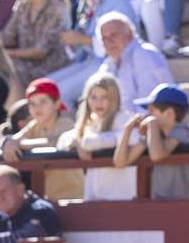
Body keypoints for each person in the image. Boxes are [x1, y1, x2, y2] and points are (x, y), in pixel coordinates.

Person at [58, 72, 140, 201]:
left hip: (120, 196)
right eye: (93, 97)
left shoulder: (123, 119)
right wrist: (77, 143)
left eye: (105, 97)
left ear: (114, 98)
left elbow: (134, 137)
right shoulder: (90, 122)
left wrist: (87, 142)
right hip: (94, 196)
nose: (98, 102)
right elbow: (64, 141)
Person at [114, 81, 189, 200]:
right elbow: (120, 162)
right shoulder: (155, 134)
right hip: (161, 201)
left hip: (186, 201)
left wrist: (152, 123)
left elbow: (157, 155)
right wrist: (127, 130)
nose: (147, 114)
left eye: (152, 111)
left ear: (169, 113)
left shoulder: (183, 131)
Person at [1, 77, 83, 200]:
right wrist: (7, 142)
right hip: (51, 197)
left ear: (57, 103)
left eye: (43, 101)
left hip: (75, 196)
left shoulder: (66, 122)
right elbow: (14, 140)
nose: (37, 108)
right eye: (32, 103)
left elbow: (56, 142)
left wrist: (21, 144)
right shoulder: (35, 125)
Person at [1, 0, 70, 87]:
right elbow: (7, 37)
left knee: (9, 67)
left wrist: (8, 54)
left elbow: (41, 51)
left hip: (51, 67)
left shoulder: (56, 8)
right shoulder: (22, 5)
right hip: (25, 63)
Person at [92, 12, 174, 110]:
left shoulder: (143, 54)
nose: (109, 42)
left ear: (129, 34)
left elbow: (149, 104)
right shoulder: (108, 65)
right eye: (104, 38)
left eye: (113, 35)